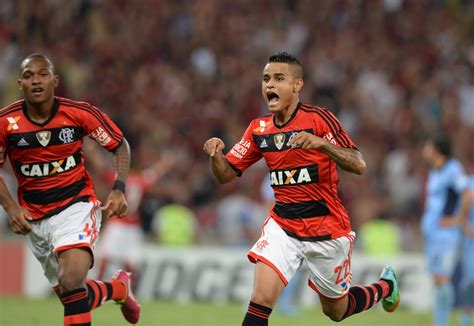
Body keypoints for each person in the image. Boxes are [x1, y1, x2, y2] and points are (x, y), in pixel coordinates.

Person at [203, 52, 400, 325]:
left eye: (279, 78)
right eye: (266, 79)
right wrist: (216, 156)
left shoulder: (319, 120)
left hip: (326, 228)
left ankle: (386, 287)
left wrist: (323, 145)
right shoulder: (259, 129)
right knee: (260, 298)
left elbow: (359, 163)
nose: (269, 85)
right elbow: (225, 175)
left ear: (297, 85)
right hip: (283, 225)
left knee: (336, 312)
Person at [0, 54, 140, 325]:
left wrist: (118, 188)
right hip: (34, 218)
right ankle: (118, 289)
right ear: (20, 84)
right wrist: (10, 207)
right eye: (28, 76)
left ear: (55, 81)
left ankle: (115, 289)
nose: (36, 80)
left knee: (71, 280)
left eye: (43, 74)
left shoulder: (79, 113)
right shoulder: (6, 123)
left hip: (76, 206)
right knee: (73, 294)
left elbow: (119, 145)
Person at [421, 133, 466, 326]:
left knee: (443, 279)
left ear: (437, 150)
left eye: (428, 146)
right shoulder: (434, 172)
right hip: (432, 235)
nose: (424, 150)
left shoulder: (453, 169)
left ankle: (443, 322)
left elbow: (468, 192)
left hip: (446, 235)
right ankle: (440, 321)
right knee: (438, 279)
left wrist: (458, 219)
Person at [456, 175, 474, 326]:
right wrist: (467, 228)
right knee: (470, 280)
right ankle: (466, 316)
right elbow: (461, 214)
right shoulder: (470, 184)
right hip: (471, 243)